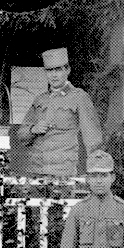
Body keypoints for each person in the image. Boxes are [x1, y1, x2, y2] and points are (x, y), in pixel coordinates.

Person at [18, 47, 103, 178]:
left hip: (63, 173)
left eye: (58, 70)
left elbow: (92, 137)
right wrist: (33, 129)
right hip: (35, 171)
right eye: (49, 71)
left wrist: (96, 171)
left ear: (67, 70)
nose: (53, 75)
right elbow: (21, 136)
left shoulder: (79, 97)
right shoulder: (40, 99)